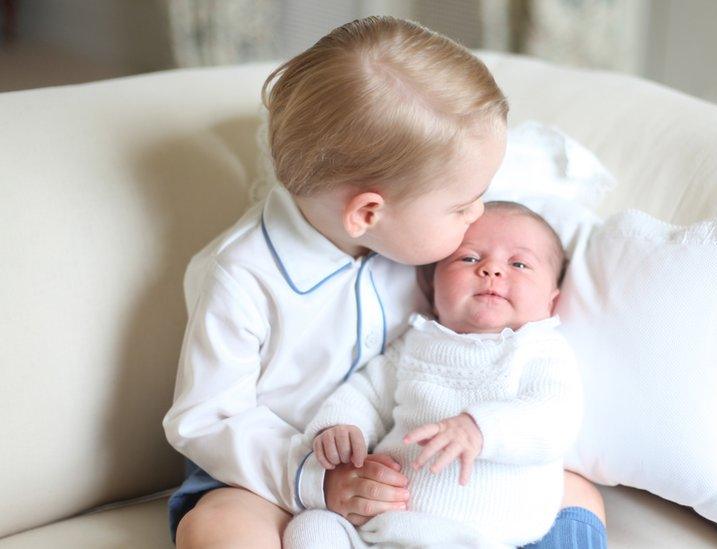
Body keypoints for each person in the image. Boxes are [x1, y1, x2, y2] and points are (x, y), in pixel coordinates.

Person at [162, 15, 606, 549]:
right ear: (368, 213)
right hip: (274, 475)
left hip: (418, 472)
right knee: (216, 528)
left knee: (578, 492)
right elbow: (204, 420)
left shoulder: (416, 232)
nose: (478, 214)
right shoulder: (241, 276)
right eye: (463, 206)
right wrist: (317, 478)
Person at [283, 202, 595, 548]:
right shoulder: (416, 342)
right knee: (311, 527)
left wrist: (480, 428)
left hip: (481, 538)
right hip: (382, 529)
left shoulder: (540, 349)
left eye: (518, 264)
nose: (491, 270)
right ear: (432, 288)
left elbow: (555, 418)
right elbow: (368, 392)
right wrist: (341, 426)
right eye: (469, 258)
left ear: (551, 303)